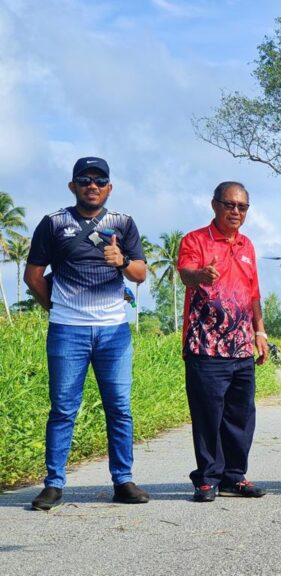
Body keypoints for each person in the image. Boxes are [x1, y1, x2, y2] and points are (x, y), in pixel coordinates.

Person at [24, 156, 149, 510]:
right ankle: (54, 484)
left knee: (119, 407)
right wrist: (59, 310)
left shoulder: (123, 223)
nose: (92, 186)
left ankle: (123, 481)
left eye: (99, 180)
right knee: (63, 408)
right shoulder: (53, 223)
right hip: (68, 331)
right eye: (84, 180)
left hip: (114, 332)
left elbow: (140, 274)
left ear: (109, 187)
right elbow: (33, 277)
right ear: (73, 185)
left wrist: (122, 261)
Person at [177, 181, 269, 502]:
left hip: (242, 348)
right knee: (208, 416)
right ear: (215, 205)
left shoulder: (247, 245)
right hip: (205, 346)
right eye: (229, 204)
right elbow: (185, 273)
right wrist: (201, 275)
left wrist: (260, 332)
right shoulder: (195, 240)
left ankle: (234, 477)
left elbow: (253, 293)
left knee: (240, 417)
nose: (235, 211)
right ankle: (207, 478)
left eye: (242, 207)